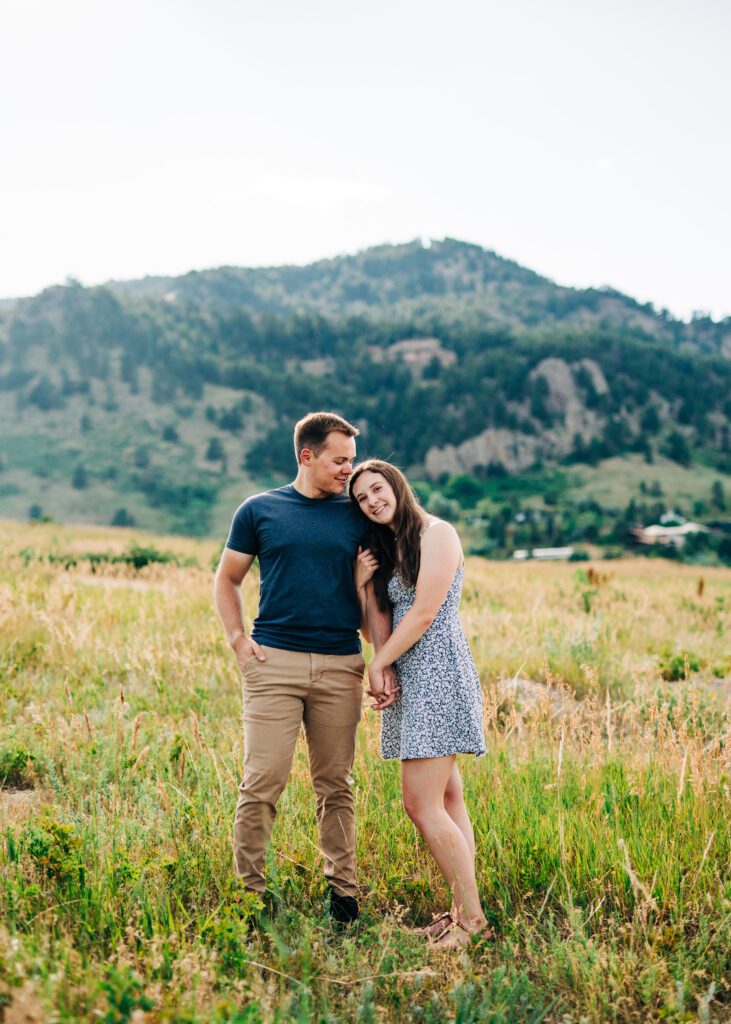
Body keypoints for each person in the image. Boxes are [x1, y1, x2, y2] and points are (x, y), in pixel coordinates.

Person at [214, 412, 395, 923]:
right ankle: (249, 897)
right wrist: (236, 639)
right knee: (262, 780)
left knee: (335, 785)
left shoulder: (356, 516)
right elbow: (227, 579)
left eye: (352, 461)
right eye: (340, 461)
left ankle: (344, 898)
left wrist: (379, 658)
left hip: (341, 665)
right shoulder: (258, 510)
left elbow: (375, 603)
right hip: (273, 663)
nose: (348, 471)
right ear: (307, 455)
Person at [349, 459, 489, 948]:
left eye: (377, 489)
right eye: (363, 499)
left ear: (396, 485)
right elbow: (377, 631)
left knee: (421, 804)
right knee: (448, 799)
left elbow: (426, 611)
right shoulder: (393, 549)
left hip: (438, 675)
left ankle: (472, 924)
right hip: (413, 678)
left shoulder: (437, 533)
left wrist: (379, 665)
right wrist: (365, 586)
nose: (372, 501)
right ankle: (460, 912)